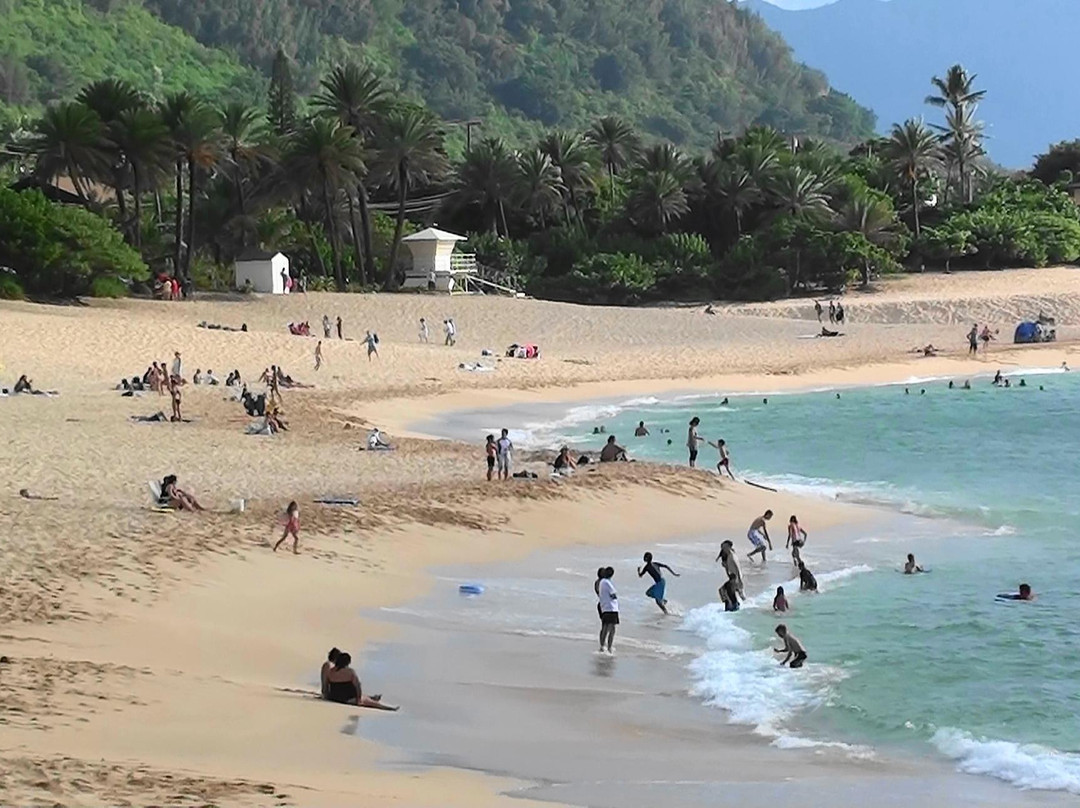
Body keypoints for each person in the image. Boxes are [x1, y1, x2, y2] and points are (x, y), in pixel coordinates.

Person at [323, 652, 398, 710]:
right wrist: (359, 700)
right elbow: (358, 686)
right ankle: (388, 708)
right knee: (372, 703)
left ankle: (372, 697)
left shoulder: (330, 672)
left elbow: (326, 685)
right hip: (348, 699)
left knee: (364, 696)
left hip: (334, 697)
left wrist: (327, 695)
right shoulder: (350, 672)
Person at [598, 567, 618, 652]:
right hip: (611, 608)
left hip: (604, 607)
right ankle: (609, 647)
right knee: (612, 629)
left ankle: (602, 646)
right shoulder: (607, 582)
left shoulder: (601, 582)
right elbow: (613, 595)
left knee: (605, 627)